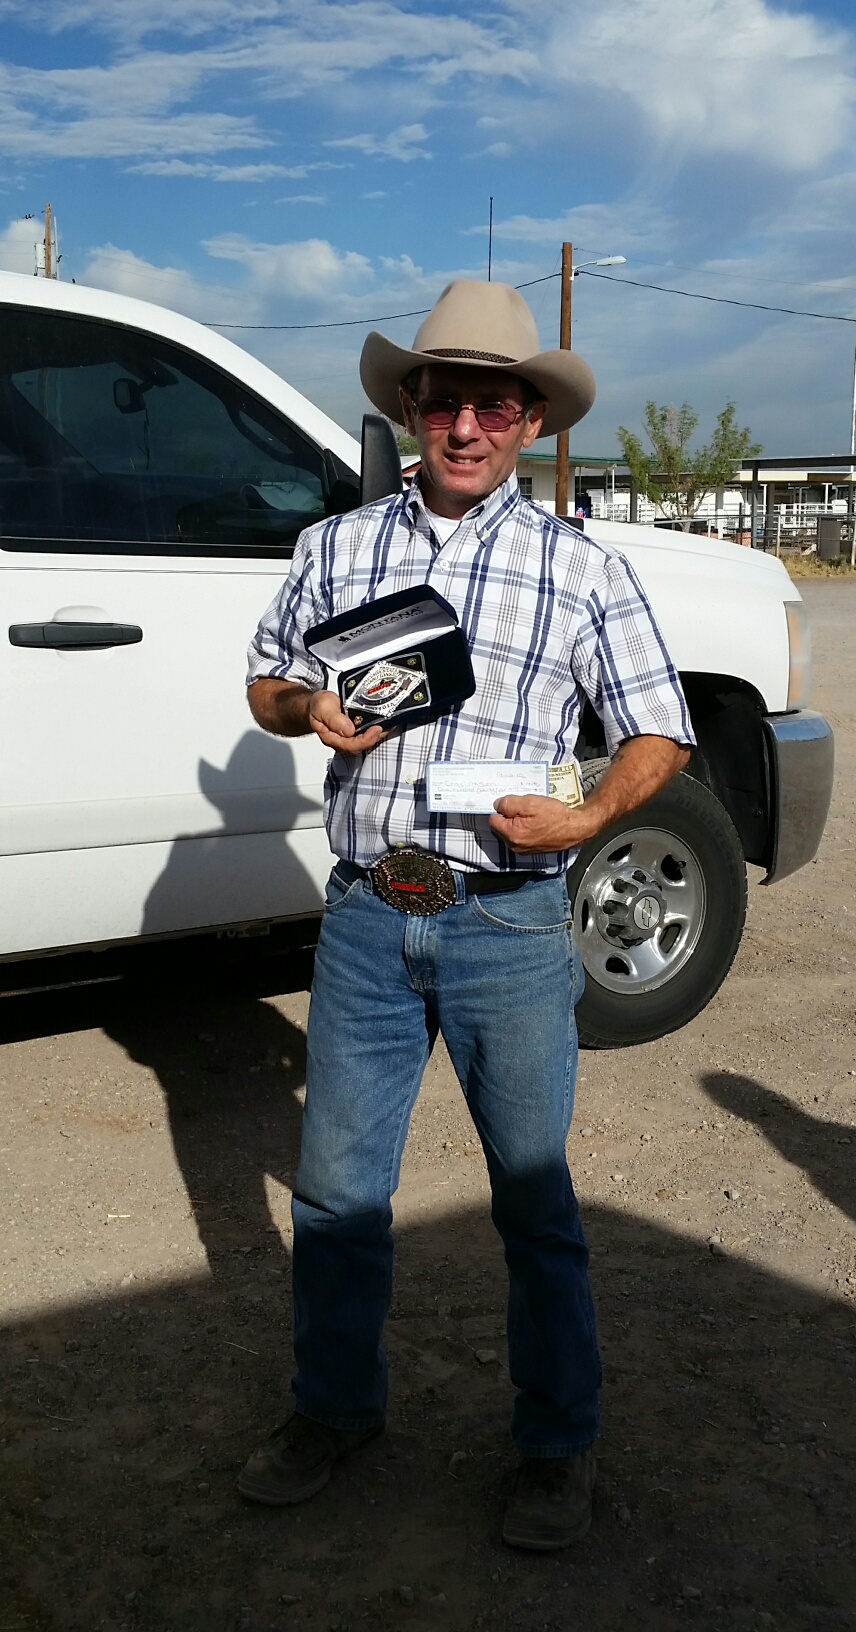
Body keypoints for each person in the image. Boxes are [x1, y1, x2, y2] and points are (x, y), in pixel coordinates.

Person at [239, 280, 694, 1550]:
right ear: (411, 406)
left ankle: (556, 1445)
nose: (468, 426)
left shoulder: (582, 567)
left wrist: (590, 813)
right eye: (446, 400)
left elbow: (661, 730)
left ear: (532, 421)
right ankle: (333, 1411)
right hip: (368, 918)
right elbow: (267, 681)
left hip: (509, 925)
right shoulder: (336, 549)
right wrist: (304, 709)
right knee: (337, 1197)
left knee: (535, 1206)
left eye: (497, 405)